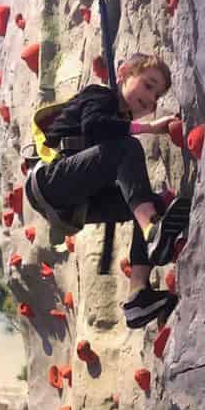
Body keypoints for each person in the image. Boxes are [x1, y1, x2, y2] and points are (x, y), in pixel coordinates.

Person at [24, 53, 190, 329]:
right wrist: (146, 127)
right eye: (148, 85)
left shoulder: (116, 120)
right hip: (51, 181)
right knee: (127, 148)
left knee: (151, 202)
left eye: (156, 96)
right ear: (123, 73)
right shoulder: (100, 95)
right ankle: (153, 232)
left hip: (75, 205)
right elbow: (94, 128)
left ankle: (138, 296)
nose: (150, 100)